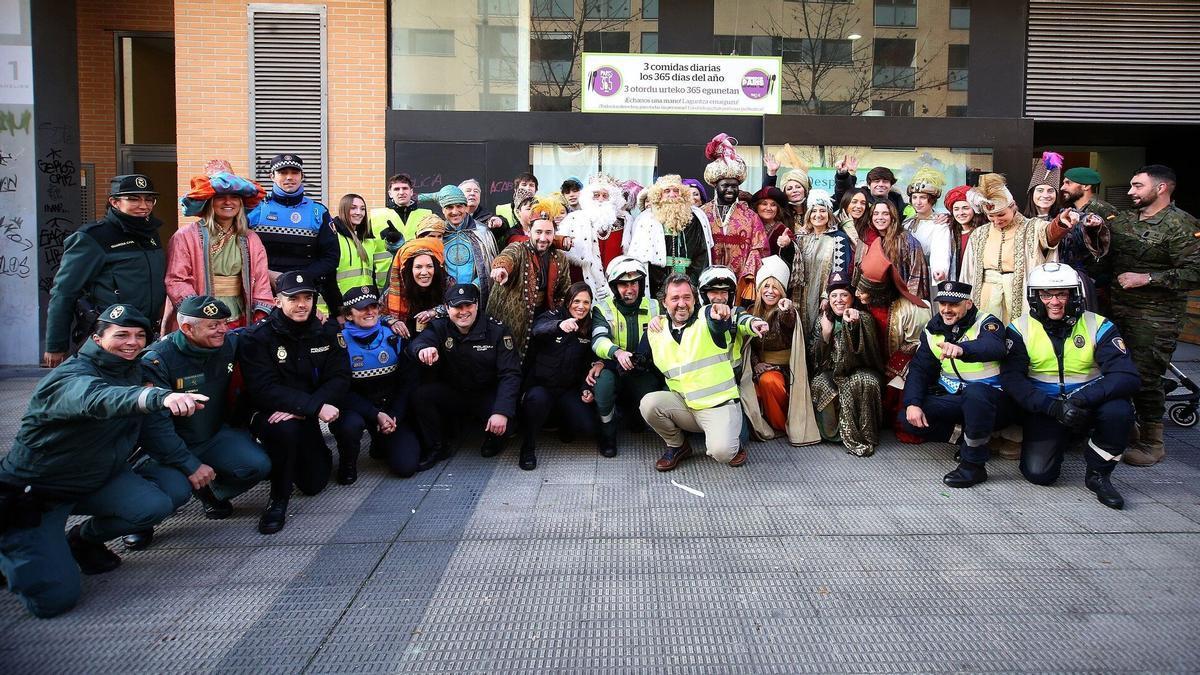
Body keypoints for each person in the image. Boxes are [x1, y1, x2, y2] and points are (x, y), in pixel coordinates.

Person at [0, 304, 209, 618]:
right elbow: (98, 398)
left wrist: (190, 464)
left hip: (97, 478)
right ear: (97, 339)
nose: (132, 342)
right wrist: (156, 397)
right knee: (53, 601)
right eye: (121, 334)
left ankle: (80, 539)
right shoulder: (70, 378)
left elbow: (152, 429)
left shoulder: (136, 370)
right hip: (39, 493)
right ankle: (17, 544)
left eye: (140, 335)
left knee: (160, 499)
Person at [127, 297, 272, 548]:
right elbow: (155, 427)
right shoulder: (156, 360)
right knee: (171, 493)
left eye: (223, 323)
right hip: (169, 445)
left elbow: (257, 332)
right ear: (187, 329)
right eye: (213, 326)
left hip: (212, 435)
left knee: (258, 465)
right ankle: (139, 522)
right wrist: (190, 465)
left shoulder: (228, 343)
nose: (222, 330)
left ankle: (210, 492)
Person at [1000, 263, 1140, 509]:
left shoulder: (1100, 325)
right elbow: (1013, 380)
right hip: (1047, 408)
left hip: (1090, 402)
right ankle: (1068, 437)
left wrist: (1078, 400)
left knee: (1119, 411)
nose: (1054, 301)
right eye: (1046, 294)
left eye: (1062, 293)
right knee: (1039, 475)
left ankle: (1099, 474)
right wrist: (1054, 408)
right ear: (1035, 296)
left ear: (1075, 294)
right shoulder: (1019, 328)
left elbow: (1126, 375)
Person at [1087, 165, 1200, 466]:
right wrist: (1093, 233)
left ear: (1162, 188)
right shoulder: (1123, 220)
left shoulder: (1181, 225)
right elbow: (1102, 256)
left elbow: (1194, 271)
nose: (1130, 192)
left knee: (1146, 376)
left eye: (1137, 186)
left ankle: (1153, 441)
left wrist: (1147, 278)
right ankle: (1129, 428)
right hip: (1116, 310)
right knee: (1113, 369)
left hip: (1156, 317)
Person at [239, 271, 350, 535]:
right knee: (283, 431)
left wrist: (308, 408)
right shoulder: (257, 338)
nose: (302, 304)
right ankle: (278, 499)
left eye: (308, 298)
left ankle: (306, 454)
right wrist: (312, 408)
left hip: (305, 413)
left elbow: (340, 377)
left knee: (314, 483)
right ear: (278, 301)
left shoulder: (326, 332)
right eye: (294, 298)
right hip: (270, 413)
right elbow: (263, 388)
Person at [637, 273, 768, 470]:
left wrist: (747, 322)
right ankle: (678, 446)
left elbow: (727, 318)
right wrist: (613, 357)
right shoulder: (657, 329)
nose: (682, 304)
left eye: (687, 297)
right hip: (685, 405)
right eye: (675, 298)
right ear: (664, 302)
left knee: (723, 452)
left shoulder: (706, 317)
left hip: (718, 406)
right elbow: (639, 359)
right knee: (649, 403)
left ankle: (731, 444)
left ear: (695, 298)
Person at [43, 174, 167, 368]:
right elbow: (63, 292)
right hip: (108, 339)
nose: (144, 205)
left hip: (145, 337)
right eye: (133, 199)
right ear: (114, 202)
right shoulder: (93, 237)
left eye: (149, 199)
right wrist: (55, 345)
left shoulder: (151, 234)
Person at [898, 281, 1008, 487]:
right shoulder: (933, 330)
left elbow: (994, 347)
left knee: (975, 395)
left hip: (992, 401)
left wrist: (962, 349)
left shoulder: (987, 322)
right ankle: (967, 438)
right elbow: (920, 370)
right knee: (907, 416)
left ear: (968, 303)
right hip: (956, 398)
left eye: (954, 304)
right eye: (942, 304)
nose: (947, 310)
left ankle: (973, 465)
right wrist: (913, 403)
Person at [409, 284, 522, 464]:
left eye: (468, 305)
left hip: (486, 393)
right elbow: (420, 341)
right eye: (457, 307)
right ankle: (438, 446)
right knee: (422, 395)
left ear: (477, 305)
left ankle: (494, 438)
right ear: (447, 308)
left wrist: (501, 411)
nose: (463, 312)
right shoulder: (440, 327)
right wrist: (423, 349)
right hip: (455, 392)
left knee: (505, 425)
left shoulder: (497, 331)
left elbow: (510, 374)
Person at [853, 200, 931, 436]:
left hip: (901, 311)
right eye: (875, 213)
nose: (879, 217)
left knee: (900, 363)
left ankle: (900, 420)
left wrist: (911, 309)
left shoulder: (907, 241)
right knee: (878, 360)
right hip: (875, 310)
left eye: (885, 213)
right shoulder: (867, 240)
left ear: (893, 216)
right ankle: (881, 418)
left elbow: (917, 278)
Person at [169, 161, 273, 332]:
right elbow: (176, 279)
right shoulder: (185, 236)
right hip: (200, 317)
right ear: (209, 201)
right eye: (220, 197)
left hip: (240, 315)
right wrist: (199, 312)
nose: (228, 202)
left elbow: (261, 281)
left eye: (234, 197)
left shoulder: (251, 239)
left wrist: (260, 316)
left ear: (240, 203)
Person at [331, 286, 421, 481]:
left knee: (406, 467)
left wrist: (394, 415)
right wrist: (374, 414)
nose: (370, 312)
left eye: (373, 306)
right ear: (348, 315)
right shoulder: (339, 343)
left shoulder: (395, 336)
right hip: (356, 408)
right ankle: (348, 463)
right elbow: (340, 390)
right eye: (362, 308)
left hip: (389, 408)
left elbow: (407, 382)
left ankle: (381, 440)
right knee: (350, 425)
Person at [959, 172, 1068, 325]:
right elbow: (967, 273)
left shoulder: (1032, 227)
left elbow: (1049, 234)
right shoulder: (979, 234)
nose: (996, 220)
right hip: (985, 295)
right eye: (991, 216)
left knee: (1021, 335)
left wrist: (1061, 224)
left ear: (1013, 206)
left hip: (1019, 293)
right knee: (986, 335)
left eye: (1001, 214)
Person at [519, 283, 601, 470]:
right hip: (542, 387)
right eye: (577, 301)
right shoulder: (554, 316)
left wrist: (585, 389)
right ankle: (528, 446)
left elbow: (585, 365)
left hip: (567, 389)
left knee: (587, 426)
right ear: (568, 301)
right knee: (537, 401)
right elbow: (538, 329)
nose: (581, 306)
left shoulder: (588, 328)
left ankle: (564, 423)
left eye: (586, 302)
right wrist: (559, 326)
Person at [590, 256, 663, 458]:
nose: (629, 289)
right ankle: (607, 434)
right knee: (603, 386)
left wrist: (663, 320)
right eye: (623, 284)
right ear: (614, 286)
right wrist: (617, 352)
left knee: (654, 400)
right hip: (613, 367)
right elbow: (597, 340)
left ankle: (636, 415)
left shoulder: (656, 307)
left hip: (642, 368)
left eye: (634, 283)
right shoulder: (603, 308)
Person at [743, 256, 820, 445]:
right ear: (760, 290)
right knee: (749, 390)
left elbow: (788, 323)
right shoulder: (751, 311)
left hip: (784, 371)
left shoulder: (784, 310)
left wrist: (787, 310)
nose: (770, 291)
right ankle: (761, 424)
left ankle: (779, 427)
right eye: (766, 287)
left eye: (775, 287)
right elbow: (746, 345)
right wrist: (755, 363)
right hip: (758, 367)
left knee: (770, 382)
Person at [808, 281, 885, 456]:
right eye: (834, 296)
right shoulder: (823, 321)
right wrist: (825, 336)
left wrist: (853, 326)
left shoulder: (864, 318)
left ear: (851, 299)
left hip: (861, 368)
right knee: (820, 383)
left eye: (844, 295)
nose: (839, 300)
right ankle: (833, 435)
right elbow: (815, 359)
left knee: (865, 382)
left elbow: (868, 353)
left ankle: (865, 435)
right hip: (832, 371)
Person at [488, 212, 571, 362]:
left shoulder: (560, 258)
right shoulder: (519, 249)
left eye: (548, 232)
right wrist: (501, 268)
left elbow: (564, 291)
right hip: (512, 319)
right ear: (529, 232)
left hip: (543, 319)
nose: (543, 238)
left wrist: (556, 318)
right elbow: (508, 256)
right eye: (538, 232)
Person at [246, 154, 338, 289]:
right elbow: (241, 253)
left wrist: (299, 279)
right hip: (262, 288)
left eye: (295, 172)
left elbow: (331, 257)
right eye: (283, 172)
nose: (289, 177)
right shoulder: (254, 209)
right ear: (272, 176)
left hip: (304, 289)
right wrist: (267, 275)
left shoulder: (318, 212)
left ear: (302, 176)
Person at [700, 133, 770, 304]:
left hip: (740, 282)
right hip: (707, 280)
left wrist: (748, 278)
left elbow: (760, 248)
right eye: (725, 185)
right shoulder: (703, 213)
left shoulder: (750, 216)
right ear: (716, 186)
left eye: (734, 186)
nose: (730, 189)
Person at [627, 174, 714, 293]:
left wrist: (692, 283)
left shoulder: (697, 218)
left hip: (690, 283)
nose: (672, 195)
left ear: (682, 193)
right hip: (658, 285)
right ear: (659, 195)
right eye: (667, 191)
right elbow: (642, 259)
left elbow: (702, 254)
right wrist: (663, 285)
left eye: (676, 190)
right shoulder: (647, 219)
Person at [787, 189, 855, 331]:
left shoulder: (838, 238)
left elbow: (840, 271)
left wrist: (828, 295)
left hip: (825, 295)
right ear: (808, 215)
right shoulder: (800, 238)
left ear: (829, 214)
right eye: (814, 211)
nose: (818, 215)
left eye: (822, 211)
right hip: (801, 294)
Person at [419, 185, 494, 307]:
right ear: (443, 210)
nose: (455, 211)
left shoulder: (482, 231)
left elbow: (489, 266)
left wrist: (474, 287)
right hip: (442, 299)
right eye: (449, 207)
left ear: (466, 207)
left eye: (459, 206)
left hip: (475, 298)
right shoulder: (437, 233)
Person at [1057, 166, 1118, 309]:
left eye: (1068, 183)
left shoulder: (1103, 210)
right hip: (1076, 281)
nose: (1062, 187)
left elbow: (1113, 248)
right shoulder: (1070, 211)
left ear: (1085, 186)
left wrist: (1099, 280)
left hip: (1095, 285)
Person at [559, 173, 625, 302]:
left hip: (615, 287)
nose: (600, 199)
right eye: (596, 195)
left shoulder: (624, 223)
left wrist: (612, 285)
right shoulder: (573, 220)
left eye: (605, 196)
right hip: (583, 288)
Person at [328, 193, 392, 317]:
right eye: (353, 208)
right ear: (344, 209)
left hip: (366, 305)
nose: (359, 212)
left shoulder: (368, 241)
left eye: (362, 209)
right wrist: (333, 311)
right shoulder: (334, 238)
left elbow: (375, 275)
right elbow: (326, 278)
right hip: (341, 307)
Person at [385, 235, 447, 336]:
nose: (424, 272)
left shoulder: (446, 283)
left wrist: (435, 312)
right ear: (410, 270)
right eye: (418, 267)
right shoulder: (399, 288)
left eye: (429, 266)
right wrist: (393, 322)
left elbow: (458, 306)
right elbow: (378, 313)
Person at [903, 167, 955, 285]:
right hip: (907, 274)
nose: (918, 202)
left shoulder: (939, 223)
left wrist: (939, 269)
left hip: (927, 275)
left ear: (931, 200)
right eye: (915, 197)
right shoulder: (907, 223)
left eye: (923, 198)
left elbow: (941, 249)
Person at [368, 173, 433, 246]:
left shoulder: (427, 215)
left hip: (418, 257)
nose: (401, 192)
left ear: (411, 192)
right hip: (389, 258)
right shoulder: (377, 216)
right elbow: (366, 246)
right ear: (390, 194)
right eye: (396, 189)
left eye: (405, 188)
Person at [943, 184, 985, 279]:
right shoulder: (950, 233)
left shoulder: (983, 233)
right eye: (956, 209)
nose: (961, 213)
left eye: (965, 208)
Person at [752, 187, 797, 263]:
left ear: (778, 209)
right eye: (764, 204)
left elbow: (791, 258)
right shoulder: (749, 226)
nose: (768, 208)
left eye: (773, 205)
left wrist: (788, 245)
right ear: (757, 207)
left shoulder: (783, 230)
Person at [1023, 152, 1064, 221]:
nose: (1045, 195)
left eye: (1050, 191)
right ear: (1032, 193)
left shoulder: (1064, 219)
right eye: (1040, 190)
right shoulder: (1020, 221)